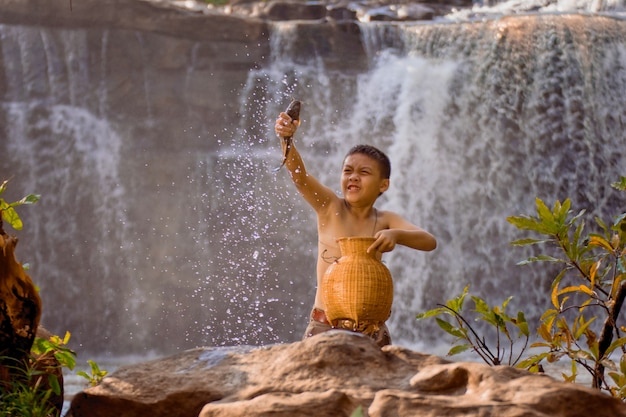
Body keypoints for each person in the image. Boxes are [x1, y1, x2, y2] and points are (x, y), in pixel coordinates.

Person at [274, 110, 437, 347]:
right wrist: (286, 139)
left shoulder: (385, 220)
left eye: (364, 172)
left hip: (372, 332)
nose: (353, 177)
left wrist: (397, 234)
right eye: (348, 171)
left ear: (384, 185)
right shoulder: (330, 208)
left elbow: (428, 241)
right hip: (324, 326)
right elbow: (299, 176)